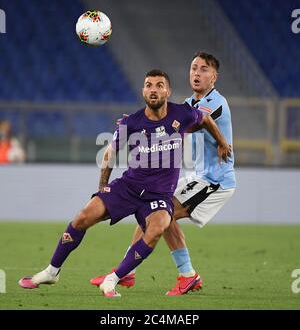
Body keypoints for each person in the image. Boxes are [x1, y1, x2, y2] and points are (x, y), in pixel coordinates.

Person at [18, 69, 231, 298]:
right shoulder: (132, 122)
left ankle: (114, 279)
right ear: (143, 90)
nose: (154, 90)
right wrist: (103, 188)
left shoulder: (183, 113)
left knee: (158, 227)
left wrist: (221, 142)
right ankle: (52, 271)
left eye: (159, 85)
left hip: (158, 195)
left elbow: (206, 118)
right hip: (128, 187)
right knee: (83, 217)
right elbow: (110, 153)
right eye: (149, 85)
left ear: (168, 91)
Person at [90, 52, 236, 296]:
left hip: (215, 180)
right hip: (199, 176)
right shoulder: (189, 103)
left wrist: (143, 124)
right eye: (194, 68)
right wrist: (138, 121)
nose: (197, 73)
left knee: (162, 213)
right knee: (157, 210)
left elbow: (179, 124)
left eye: (204, 70)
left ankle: (181, 275)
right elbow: (168, 118)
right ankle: (133, 272)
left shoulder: (215, 102)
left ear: (214, 77)